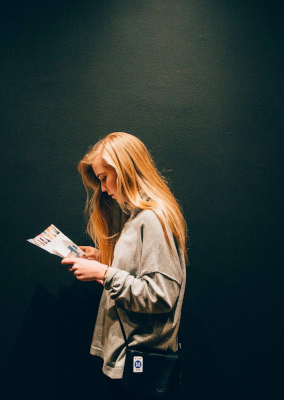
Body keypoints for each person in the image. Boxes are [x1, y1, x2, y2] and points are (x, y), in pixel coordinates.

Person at [61, 132, 187, 399]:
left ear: (125, 169)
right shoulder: (141, 218)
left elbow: (161, 295)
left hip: (139, 360)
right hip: (129, 357)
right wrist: (103, 261)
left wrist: (105, 273)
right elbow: (140, 275)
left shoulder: (152, 218)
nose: (104, 189)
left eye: (104, 178)